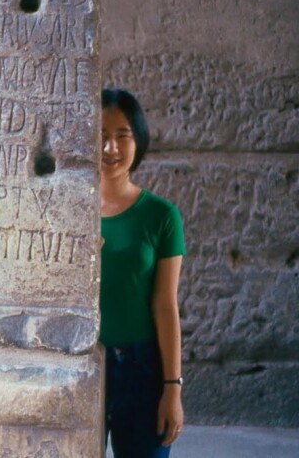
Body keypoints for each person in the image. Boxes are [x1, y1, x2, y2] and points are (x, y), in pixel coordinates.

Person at [100, 88, 185, 457]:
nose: (110, 148)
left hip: (141, 369)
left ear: (139, 140)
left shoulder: (162, 216)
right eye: (100, 136)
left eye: (122, 136)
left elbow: (165, 305)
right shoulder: (66, 215)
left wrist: (172, 388)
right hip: (82, 360)